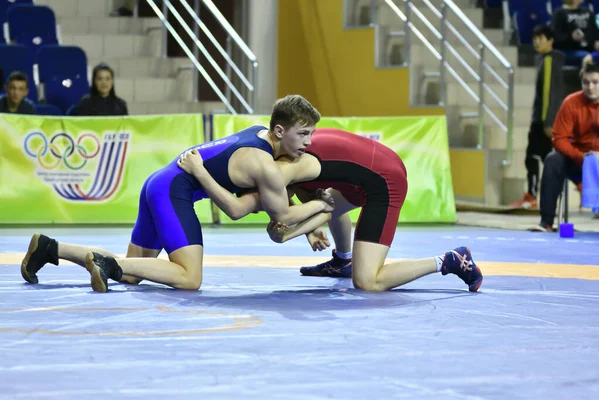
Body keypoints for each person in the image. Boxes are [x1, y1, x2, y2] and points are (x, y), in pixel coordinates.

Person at [20, 95, 333, 292]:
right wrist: (320, 206)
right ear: (280, 131)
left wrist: (309, 227)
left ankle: (51, 248)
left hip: (158, 183)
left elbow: (277, 195)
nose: (309, 142)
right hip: (173, 192)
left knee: (131, 275)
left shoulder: (257, 133)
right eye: (303, 133)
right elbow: (244, 211)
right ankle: (101, 261)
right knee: (188, 278)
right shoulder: (264, 164)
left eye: (312, 134)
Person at [179, 128, 484, 292]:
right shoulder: (279, 156)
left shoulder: (279, 174)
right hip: (367, 168)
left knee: (369, 282)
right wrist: (310, 225)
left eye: (260, 202)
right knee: (325, 204)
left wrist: (201, 172)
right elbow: (314, 201)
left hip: (384, 182)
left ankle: (450, 259)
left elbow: (243, 212)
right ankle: (342, 260)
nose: (261, 207)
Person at [533, 62, 599, 232]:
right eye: (586, 82)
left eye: (595, 82)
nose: (590, 87)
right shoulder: (571, 102)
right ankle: (546, 222)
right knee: (553, 160)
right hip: (577, 160)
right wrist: (581, 157)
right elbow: (559, 139)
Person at [511, 25, 565, 209]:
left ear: (550, 40)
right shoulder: (545, 60)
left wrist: (548, 122)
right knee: (546, 157)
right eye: (535, 38)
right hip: (543, 120)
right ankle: (579, 183)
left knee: (532, 157)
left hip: (542, 122)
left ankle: (531, 196)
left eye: (541, 38)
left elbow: (550, 93)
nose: (536, 41)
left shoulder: (550, 61)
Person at [551, 0, 599, 67]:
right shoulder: (559, 13)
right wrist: (571, 37)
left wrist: (597, 41)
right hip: (568, 51)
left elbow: (595, 31)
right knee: (586, 56)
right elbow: (555, 38)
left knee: (592, 55)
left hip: (589, 49)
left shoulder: (587, 11)